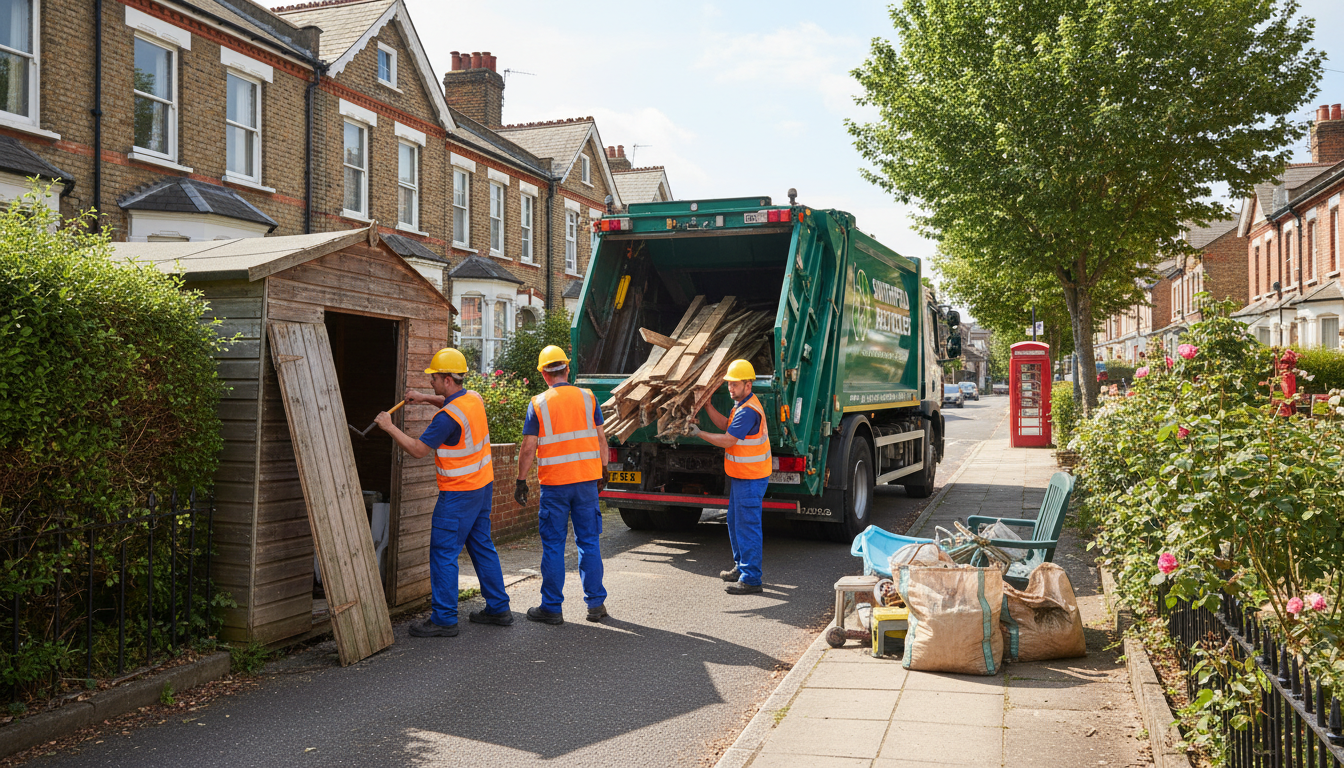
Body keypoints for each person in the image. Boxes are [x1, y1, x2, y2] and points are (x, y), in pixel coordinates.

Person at [374, 347, 512, 637]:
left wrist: (389, 427)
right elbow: (450, 404)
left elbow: (417, 450)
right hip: (482, 487)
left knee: (443, 553)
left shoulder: (446, 420)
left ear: (448, 379)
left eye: (434, 379)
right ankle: (499, 608)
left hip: (459, 495)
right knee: (482, 546)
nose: (431, 383)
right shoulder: (473, 398)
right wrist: (424, 398)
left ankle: (444, 619)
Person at [515, 345, 608, 624]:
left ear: (544, 374)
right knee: (589, 542)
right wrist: (604, 470)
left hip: (555, 486)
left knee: (554, 545)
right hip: (586, 482)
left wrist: (521, 481)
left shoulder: (538, 403)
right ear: (567, 369)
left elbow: (529, 448)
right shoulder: (588, 398)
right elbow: (602, 439)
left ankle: (552, 608)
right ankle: (596, 606)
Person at [691, 359, 770, 595]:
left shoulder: (748, 411)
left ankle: (752, 578)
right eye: (729, 384)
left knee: (747, 526)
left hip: (751, 478)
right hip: (742, 476)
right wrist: (707, 407)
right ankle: (741, 567)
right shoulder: (740, 407)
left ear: (748, 384)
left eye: (735, 384)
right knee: (735, 522)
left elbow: (728, 440)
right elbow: (727, 426)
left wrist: (699, 433)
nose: (730, 388)